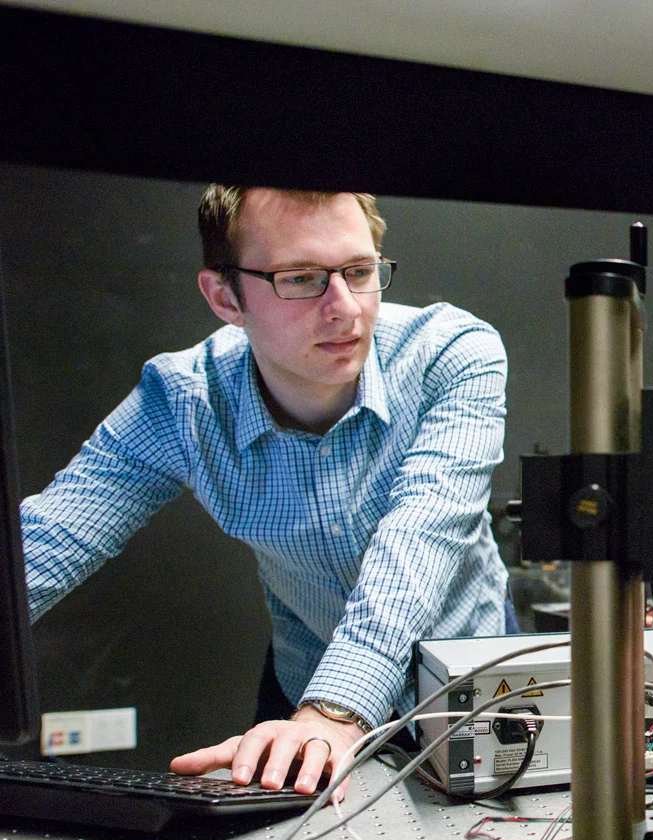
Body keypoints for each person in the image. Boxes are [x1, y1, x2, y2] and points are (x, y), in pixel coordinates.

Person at [22, 186, 514, 796]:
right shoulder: (184, 402)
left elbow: (420, 539)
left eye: (360, 272)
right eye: (301, 279)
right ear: (225, 296)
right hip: (305, 687)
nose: (346, 309)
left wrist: (337, 710)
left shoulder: (451, 355)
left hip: (470, 682)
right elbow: (50, 538)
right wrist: (323, 712)